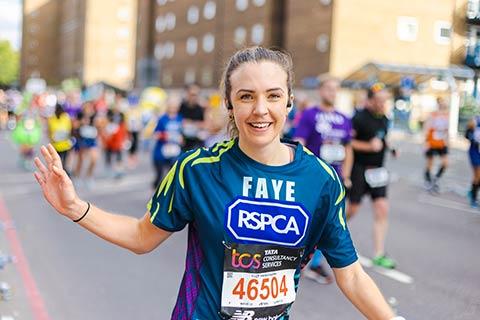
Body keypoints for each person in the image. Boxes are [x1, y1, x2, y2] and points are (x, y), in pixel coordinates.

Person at [33, 47, 401, 320]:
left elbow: (351, 275)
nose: (260, 109)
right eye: (246, 96)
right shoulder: (197, 169)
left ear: (289, 101)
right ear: (229, 103)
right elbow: (142, 237)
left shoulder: (320, 180)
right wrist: (75, 208)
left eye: (273, 95)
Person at [293, 75, 353, 284]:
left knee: (329, 222)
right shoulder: (310, 115)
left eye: (336, 89)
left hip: (335, 179)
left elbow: (348, 148)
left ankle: (316, 262)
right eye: (328, 88)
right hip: (314, 178)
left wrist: (346, 175)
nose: (332, 92)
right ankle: (300, 260)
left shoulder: (344, 118)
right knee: (310, 222)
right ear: (320, 91)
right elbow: (299, 143)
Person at [347, 83, 397, 269]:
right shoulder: (358, 118)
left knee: (382, 209)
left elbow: (383, 138)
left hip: (378, 171)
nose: (382, 104)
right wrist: (368, 146)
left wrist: (391, 148)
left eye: (385, 100)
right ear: (369, 100)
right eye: (379, 100)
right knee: (352, 209)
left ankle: (379, 253)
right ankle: (326, 234)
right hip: (359, 169)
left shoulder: (384, 118)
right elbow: (348, 143)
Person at [151, 95, 183, 189]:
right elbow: (155, 134)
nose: (173, 108)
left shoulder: (180, 118)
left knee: (172, 175)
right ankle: (155, 191)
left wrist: (181, 138)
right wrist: (166, 135)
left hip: (175, 151)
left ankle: (169, 196)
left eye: (175, 106)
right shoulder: (162, 119)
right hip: (161, 151)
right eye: (171, 106)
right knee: (159, 176)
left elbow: (182, 132)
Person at [423, 97, 449, 192]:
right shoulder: (433, 115)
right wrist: (426, 142)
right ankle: (428, 180)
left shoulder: (446, 116)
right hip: (432, 142)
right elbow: (426, 128)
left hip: (442, 143)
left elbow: (446, 131)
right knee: (430, 163)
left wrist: (448, 142)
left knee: (445, 163)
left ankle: (436, 178)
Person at [179, 83, 205, 151]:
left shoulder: (200, 108)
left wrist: (190, 123)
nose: (194, 97)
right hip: (182, 141)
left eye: (196, 95)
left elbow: (205, 124)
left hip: (196, 141)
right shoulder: (181, 107)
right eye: (192, 95)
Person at [47, 103, 73, 169]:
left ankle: (63, 170)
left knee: (62, 161)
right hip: (58, 144)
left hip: (64, 144)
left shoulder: (65, 117)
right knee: (59, 161)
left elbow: (69, 129)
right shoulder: (53, 118)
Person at [466, 115, 480, 208]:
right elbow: (467, 135)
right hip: (475, 152)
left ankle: (472, 192)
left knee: (478, 176)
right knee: (478, 174)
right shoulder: (476, 120)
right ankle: (473, 199)